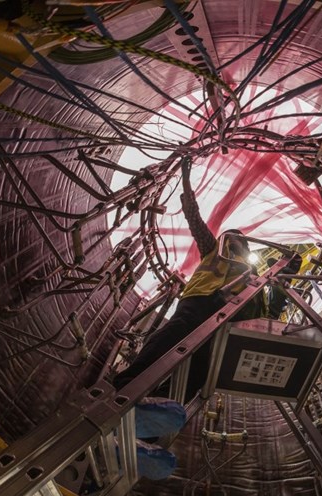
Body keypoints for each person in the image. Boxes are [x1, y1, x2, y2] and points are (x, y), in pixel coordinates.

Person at [116, 157, 299, 479]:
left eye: (241, 240)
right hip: (204, 301)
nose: (239, 242)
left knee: (199, 376)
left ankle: (141, 440)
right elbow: (195, 219)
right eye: (235, 238)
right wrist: (186, 179)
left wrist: (289, 273)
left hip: (234, 324)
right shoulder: (215, 252)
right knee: (173, 338)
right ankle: (124, 391)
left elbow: (274, 310)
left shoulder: (257, 278)